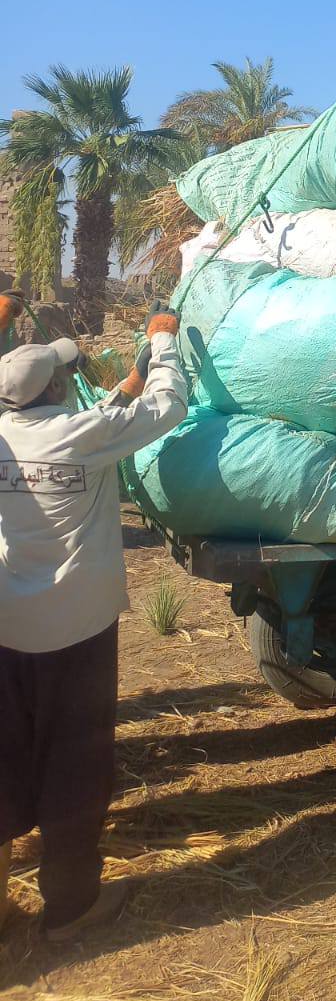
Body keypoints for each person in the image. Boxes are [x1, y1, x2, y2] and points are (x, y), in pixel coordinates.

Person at [0, 300, 187, 941]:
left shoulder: (9, 434)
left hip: (7, 629)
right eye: (62, 375)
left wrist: (124, 386)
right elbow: (168, 407)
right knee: (74, 763)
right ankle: (70, 908)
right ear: (56, 389)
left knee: (6, 758)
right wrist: (162, 345)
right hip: (76, 632)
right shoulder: (83, 437)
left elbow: (88, 427)